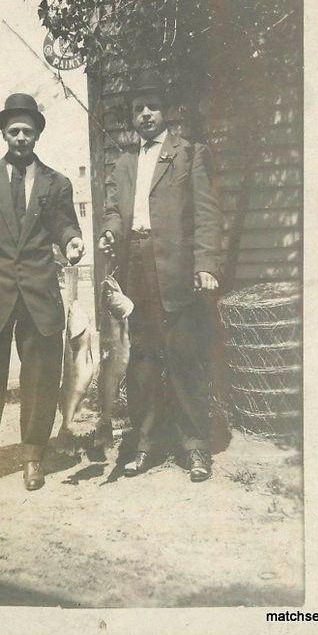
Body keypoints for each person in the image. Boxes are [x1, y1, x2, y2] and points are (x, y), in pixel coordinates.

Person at [0, 93, 84, 496]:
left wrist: (73, 240)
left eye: (28, 131)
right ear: (4, 134)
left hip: (39, 294)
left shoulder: (56, 182)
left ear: (37, 135)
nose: (21, 137)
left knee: (41, 378)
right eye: (14, 131)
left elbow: (65, 224)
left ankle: (32, 457)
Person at [99, 71, 222, 482]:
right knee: (143, 360)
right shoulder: (124, 163)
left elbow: (206, 215)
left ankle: (196, 448)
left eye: (151, 106)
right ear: (131, 118)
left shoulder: (190, 154)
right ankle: (146, 444)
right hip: (136, 266)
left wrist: (205, 265)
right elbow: (115, 211)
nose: (145, 114)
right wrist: (109, 234)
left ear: (165, 112)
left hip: (177, 270)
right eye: (138, 109)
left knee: (185, 355)